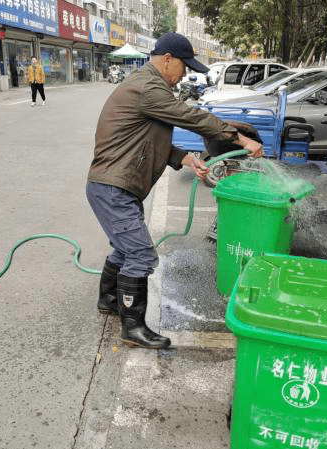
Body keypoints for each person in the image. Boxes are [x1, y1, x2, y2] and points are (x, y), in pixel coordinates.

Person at [86, 32, 264, 350]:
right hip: (113, 187)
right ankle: (133, 328)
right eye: (184, 67)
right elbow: (190, 117)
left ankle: (110, 300)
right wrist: (239, 138)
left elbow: (145, 136)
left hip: (114, 185)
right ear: (167, 59)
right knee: (140, 254)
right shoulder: (150, 86)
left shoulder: (146, 84)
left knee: (126, 249)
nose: (184, 74)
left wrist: (184, 157)